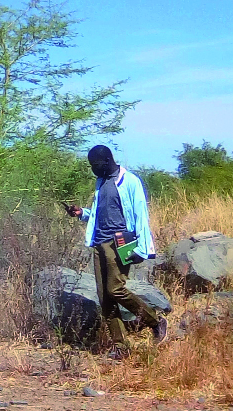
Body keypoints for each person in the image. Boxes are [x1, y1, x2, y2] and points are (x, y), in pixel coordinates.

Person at [66, 145, 165, 348]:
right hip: (99, 243)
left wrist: (142, 249)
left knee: (115, 289)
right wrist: (82, 213)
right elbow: (100, 213)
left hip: (120, 243)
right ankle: (120, 345)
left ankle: (155, 322)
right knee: (105, 297)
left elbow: (140, 216)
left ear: (107, 161)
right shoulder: (101, 181)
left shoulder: (130, 181)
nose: (93, 169)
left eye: (95, 165)